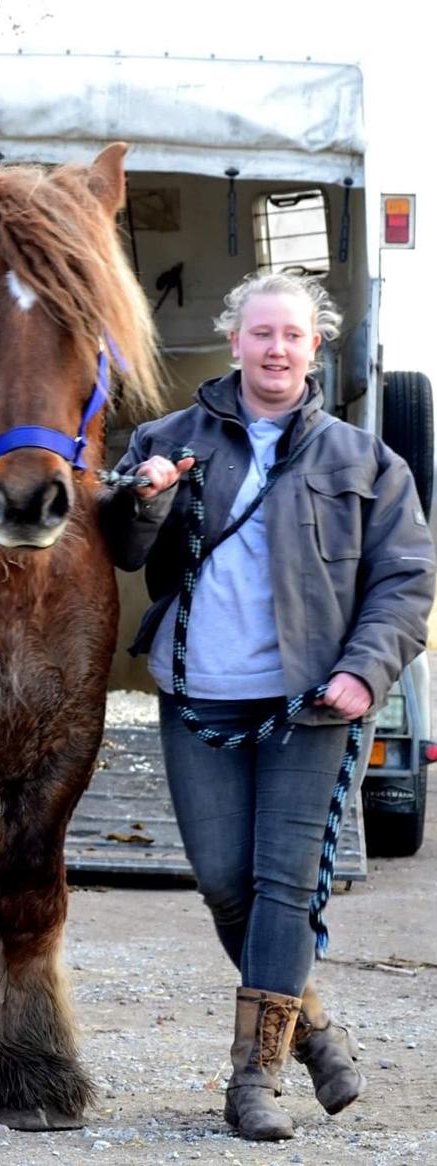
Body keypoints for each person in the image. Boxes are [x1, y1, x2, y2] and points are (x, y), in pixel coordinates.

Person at [100, 271, 435, 1142]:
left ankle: (255, 1079)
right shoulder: (166, 438)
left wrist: (366, 670)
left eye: (292, 334)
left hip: (313, 706)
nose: (276, 349)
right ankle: (314, 1027)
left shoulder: (367, 462)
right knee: (224, 882)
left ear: (314, 345)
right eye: (261, 334)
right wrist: (148, 500)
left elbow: (405, 582)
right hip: (198, 697)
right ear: (235, 341)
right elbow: (125, 551)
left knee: (282, 888)